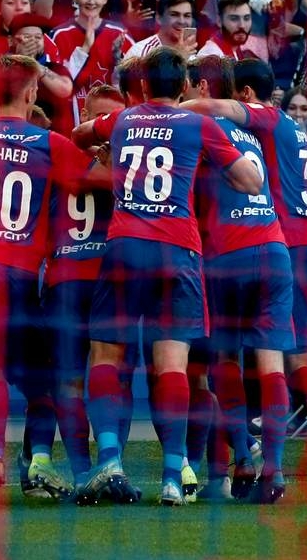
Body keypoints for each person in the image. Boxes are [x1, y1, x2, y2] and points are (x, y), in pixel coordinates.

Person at [72, 47, 260, 506]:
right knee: (173, 365)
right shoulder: (199, 124)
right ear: (182, 87)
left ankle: (110, 460)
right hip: (178, 249)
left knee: (106, 354)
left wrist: (106, 150)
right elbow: (250, 181)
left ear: (141, 86)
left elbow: (78, 133)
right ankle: (174, 477)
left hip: (125, 246)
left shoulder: (123, 120)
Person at [0, 55, 99, 505]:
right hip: (19, 271)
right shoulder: (49, 143)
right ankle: (40, 462)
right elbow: (101, 180)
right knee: (44, 381)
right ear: (33, 93)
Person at [186, 56, 296, 503]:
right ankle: (275, 467)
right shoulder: (257, 130)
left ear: (202, 88)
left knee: (225, 361)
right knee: (271, 365)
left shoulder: (197, 126)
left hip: (226, 255)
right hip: (273, 250)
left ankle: (244, 456)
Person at [44, 84, 124, 489]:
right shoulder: (122, 166)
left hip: (96, 281)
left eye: (114, 122)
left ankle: (108, 467)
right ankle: (85, 471)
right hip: (78, 281)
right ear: (87, 119)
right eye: (101, 121)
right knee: (76, 379)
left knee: (94, 377)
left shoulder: (62, 153)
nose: (107, 130)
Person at [49, 0, 134, 126]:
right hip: (69, 125)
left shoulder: (120, 34)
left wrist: (118, 61)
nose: (91, 1)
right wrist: (85, 47)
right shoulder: (59, 35)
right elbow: (59, 88)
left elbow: (131, 87)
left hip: (111, 126)